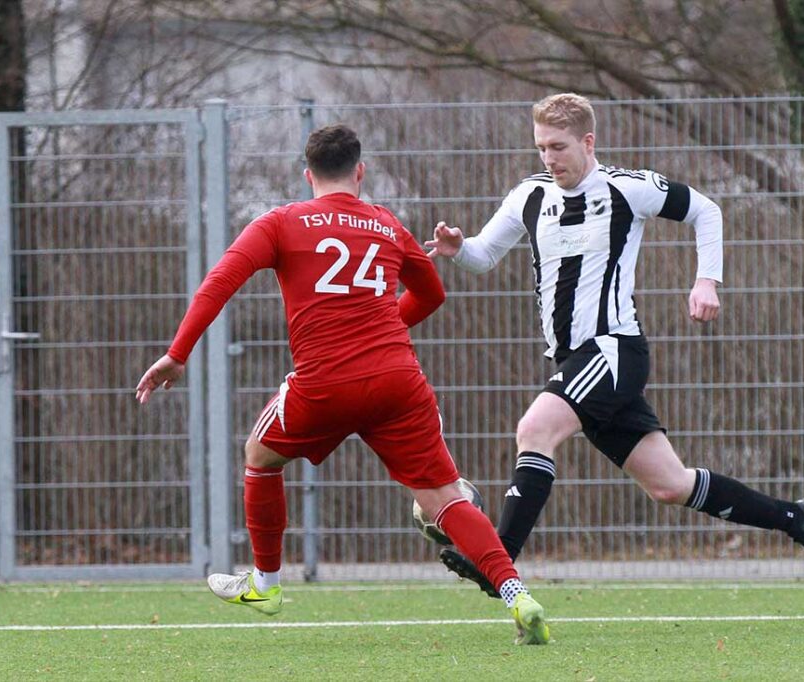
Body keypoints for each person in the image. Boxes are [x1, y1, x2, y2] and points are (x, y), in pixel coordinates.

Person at [135, 124, 549, 645]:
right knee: (445, 496)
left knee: (259, 456)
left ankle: (266, 585)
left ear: (308, 175)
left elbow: (220, 282)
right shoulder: (386, 224)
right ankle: (517, 596)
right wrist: (381, 330)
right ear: (360, 171)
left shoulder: (280, 222)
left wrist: (177, 355)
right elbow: (431, 294)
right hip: (399, 381)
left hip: (324, 384)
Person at [425, 93, 804, 596]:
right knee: (670, 484)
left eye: (558, 146)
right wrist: (457, 249)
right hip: (575, 360)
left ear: (588, 142)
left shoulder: (625, 188)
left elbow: (706, 211)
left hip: (613, 349)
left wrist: (707, 280)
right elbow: (485, 255)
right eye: (541, 148)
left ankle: (499, 560)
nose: (549, 158)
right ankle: (797, 517)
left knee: (535, 429)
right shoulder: (528, 197)